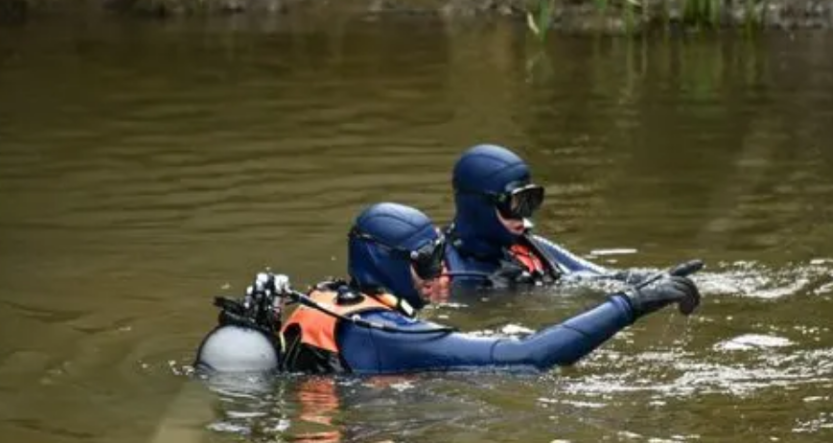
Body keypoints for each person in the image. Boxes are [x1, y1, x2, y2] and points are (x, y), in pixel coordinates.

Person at [195, 201, 701, 376]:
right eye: (426, 262)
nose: (441, 273)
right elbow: (528, 358)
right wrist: (630, 304)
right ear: (388, 265)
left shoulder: (331, 296)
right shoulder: (383, 332)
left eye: (441, 255)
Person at [442, 143, 673, 291]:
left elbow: (599, 276)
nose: (523, 216)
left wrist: (653, 280)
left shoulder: (529, 249)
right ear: (479, 207)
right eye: (514, 204)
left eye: (530, 201)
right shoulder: (437, 268)